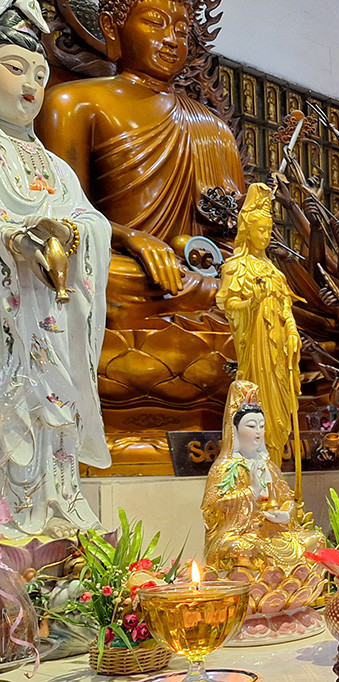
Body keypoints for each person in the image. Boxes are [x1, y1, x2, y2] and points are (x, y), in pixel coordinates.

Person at [37, 0, 245, 313]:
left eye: (182, 31)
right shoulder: (72, 103)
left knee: (260, 288)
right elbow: (60, 215)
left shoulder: (214, 129)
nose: (171, 39)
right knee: (87, 273)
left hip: (194, 272)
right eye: (155, 23)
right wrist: (129, 238)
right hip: (123, 269)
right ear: (111, 27)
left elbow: (235, 237)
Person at [0, 2, 111, 538]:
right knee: (14, 410)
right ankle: (12, 515)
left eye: (40, 75)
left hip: (54, 314)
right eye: (16, 68)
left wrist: (70, 232)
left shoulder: (56, 166)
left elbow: (92, 221)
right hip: (9, 316)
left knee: (57, 414)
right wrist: (15, 239)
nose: (31, 85)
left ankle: (57, 504)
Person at [217, 183, 300, 466]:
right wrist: (251, 303)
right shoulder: (235, 267)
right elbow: (227, 304)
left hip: (278, 352)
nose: (265, 236)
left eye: (268, 230)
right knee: (256, 408)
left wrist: (292, 331)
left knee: (279, 412)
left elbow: (286, 308)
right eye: (260, 230)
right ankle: (255, 472)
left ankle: (274, 474)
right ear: (247, 231)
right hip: (256, 348)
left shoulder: (275, 273)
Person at [202, 397, 324, 575]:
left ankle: (284, 580)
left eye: (261, 426)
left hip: (274, 532)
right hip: (242, 534)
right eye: (251, 426)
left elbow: (288, 500)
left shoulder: (269, 466)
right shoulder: (224, 468)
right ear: (235, 430)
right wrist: (251, 491)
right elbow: (211, 509)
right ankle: (263, 582)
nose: (258, 431)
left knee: (316, 540)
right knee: (241, 550)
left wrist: (285, 515)